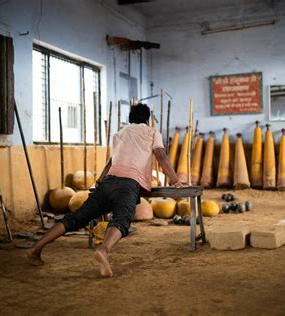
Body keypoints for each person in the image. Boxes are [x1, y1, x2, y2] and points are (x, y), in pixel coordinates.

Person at [27, 103, 182, 277]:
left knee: (76, 218)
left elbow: (111, 162)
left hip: (108, 182)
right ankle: (104, 250)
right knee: (121, 220)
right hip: (129, 184)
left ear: (130, 119)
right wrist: (175, 180)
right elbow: (161, 156)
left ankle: (35, 248)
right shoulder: (152, 132)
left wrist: (99, 182)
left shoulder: (120, 134)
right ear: (147, 120)